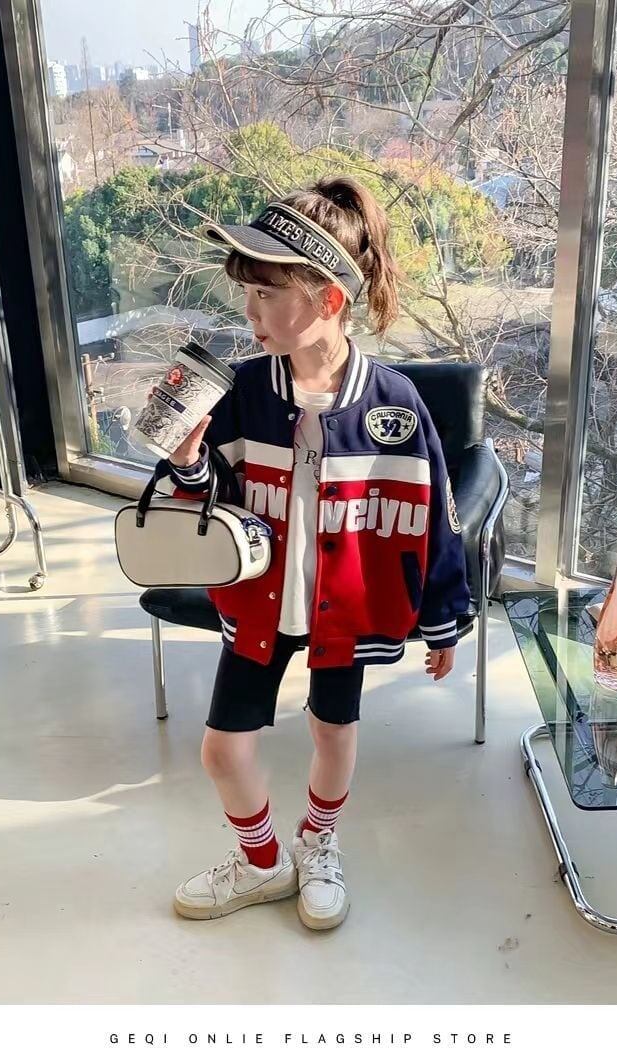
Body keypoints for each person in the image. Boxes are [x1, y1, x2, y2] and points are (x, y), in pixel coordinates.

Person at [156, 176, 470, 931]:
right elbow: (201, 502)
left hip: (349, 608)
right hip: (259, 601)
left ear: (329, 299)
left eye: (266, 294)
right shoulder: (238, 392)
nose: (249, 312)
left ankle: (319, 843)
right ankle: (264, 863)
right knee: (222, 751)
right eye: (246, 293)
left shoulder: (395, 403)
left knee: (334, 733)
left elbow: (437, 519)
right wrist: (189, 461)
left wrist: (444, 620)